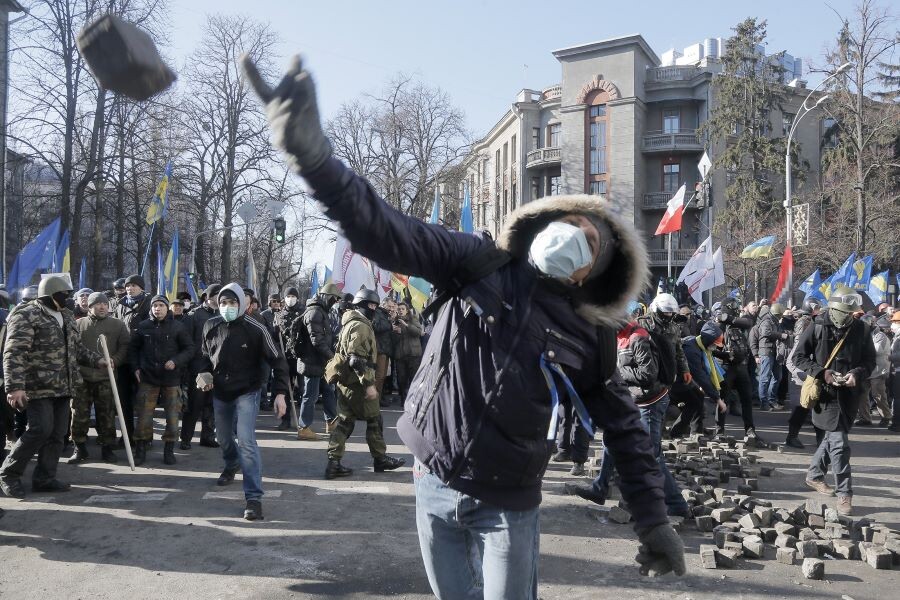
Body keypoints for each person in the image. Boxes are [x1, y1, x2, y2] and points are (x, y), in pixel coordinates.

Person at [243, 54, 684, 594]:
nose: (570, 237)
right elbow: (387, 231)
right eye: (568, 224)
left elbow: (626, 430)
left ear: (594, 272)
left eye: (588, 241)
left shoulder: (589, 337)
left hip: (509, 506)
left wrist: (654, 521)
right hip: (433, 481)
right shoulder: (477, 263)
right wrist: (315, 159)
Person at [567, 293, 691, 519]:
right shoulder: (620, 336)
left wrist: (614, 372)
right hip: (631, 399)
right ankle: (600, 488)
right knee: (610, 441)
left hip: (650, 402)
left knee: (651, 454)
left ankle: (676, 504)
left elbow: (647, 374)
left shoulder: (638, 337)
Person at [0, 276, 104, 498]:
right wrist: (14, 387)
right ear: (50, 295)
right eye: (64, 294)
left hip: (64, 386)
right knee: (40, 430)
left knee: (58, 434)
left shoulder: (66, 315)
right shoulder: (26, 314)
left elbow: (75, 349)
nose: (68, 298)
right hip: (37, 386)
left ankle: (45, 477)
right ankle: (9, 473)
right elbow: (14, 353)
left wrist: (98, 360)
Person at [197, 283, 289, 520]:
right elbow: (205, 357)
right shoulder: (210, 325)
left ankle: (254, 498)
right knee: (223, 438)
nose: (227, 307)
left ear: (243, 304)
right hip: (220, 391)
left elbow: (278, 360)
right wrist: (204, 375)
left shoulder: (256, 328)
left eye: (233, 303)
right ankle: (231, 463)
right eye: (224, 303)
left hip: (248, 390)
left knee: (247, 441)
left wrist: (280, 393)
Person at [794, 290, 875, 516]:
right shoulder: (817, 325)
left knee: (832, 437)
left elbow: (870, 360)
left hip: (850, 396)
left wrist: (856, 374)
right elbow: (798, 357)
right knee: (839, 445)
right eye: (842, 312)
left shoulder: (862, 329)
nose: (846, 317)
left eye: (850, 313)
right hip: (825, 396)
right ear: (833, 309)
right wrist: (823, 373)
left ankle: (814, 475)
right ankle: (844, 494)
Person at [323, 288, 405, 479]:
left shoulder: (351, 322)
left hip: (347, 382)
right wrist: (369, 384)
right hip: (358, 383)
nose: (374, 308)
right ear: (361, 305)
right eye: (370, 304)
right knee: (374, 420)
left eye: (375, 305)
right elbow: (356, 359)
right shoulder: (360, 325)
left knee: (344, 422)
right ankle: (379, 458)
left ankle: (333, 462)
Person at [128, 295, 194, 466]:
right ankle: (140, 450)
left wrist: (176, 361)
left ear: (167, 308)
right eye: (155, 306)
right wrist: (135, 367)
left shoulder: (178, 327)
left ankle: (169, 450)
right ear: (151, 308)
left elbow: (189, 349)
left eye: (161, 306)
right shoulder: (143, 327)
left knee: (172, 418)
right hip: (148, 378)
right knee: (143, 417)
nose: (158, 309)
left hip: (171, 379)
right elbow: (133, 349)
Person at [68, 292, 130, 465]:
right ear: (90, 306)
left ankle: (107, 448)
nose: (102, 306)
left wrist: (115, 361)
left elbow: (125, 346)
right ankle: (79, 447)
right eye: (98, 304)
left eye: (104, 303)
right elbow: (73, 350)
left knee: (107, 414)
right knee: (79, 414)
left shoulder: (117, 325)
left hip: (106, 378)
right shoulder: (79, 324)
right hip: (82, 378)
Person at [296, 282, 341, 440]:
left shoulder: (320, 311)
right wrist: (332, 357)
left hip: (320, 361)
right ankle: (304, 427)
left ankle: (331, 421)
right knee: (310, 395)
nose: (335, 302)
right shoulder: (315, 312)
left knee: (328, 390)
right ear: (327, 297)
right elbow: (317, 340)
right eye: (334, 299)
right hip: (312, 361)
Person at [113, 274, 153, 446]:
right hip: (123, 359)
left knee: (144, 402)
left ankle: (145, 437)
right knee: (123, 401)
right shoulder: (119, 305)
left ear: (142, 288)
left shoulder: (150, 304)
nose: (130, 288)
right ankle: (127, 436)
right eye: (128, 286)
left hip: (142, 359)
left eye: (134, 286)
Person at [715, 298, 762, 442]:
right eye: (733, 307)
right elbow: (711, 348)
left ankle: (750, 430)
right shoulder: (719, 327)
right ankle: (719, 431)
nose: (736, 309)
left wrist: (730, 319)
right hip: (726, 366)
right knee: (723, 399)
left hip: (741, 367)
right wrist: (726, 355)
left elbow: (749, 322)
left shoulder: (736, 324)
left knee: (747, 399)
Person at [670, 322, 729, 438]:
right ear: (707, 341)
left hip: (683, 379)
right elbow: (700, 375)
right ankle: (677, 432)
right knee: (694, 401)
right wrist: (717, 399)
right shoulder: (692, 351)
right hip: (673, 381)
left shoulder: (697, 343)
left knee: (698, 397)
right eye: (714, 344)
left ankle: (695, 431)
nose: (715, 347)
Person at [180, 284, 221, 450]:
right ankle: (186, 438)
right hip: (199, 366)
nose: (221, 299)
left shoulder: (222, 314)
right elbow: (187, 342)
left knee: (211, 404)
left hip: (216, 365)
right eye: (218, 295)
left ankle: (208, 436)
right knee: (195, 404)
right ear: (208, 297)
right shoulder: (194, 315)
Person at [785, 298, 822, 448]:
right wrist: (803, 374)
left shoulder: (816, 324)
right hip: (805, 376)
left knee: (819, 407)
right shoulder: (806, 324)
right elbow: (793, 359)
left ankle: (822, 440)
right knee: (802, 407)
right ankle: (792, 436)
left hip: (816, 373)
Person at [855, 315, 892, 427]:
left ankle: (886, 416)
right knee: (862, 393)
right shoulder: (862, 335)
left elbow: (876, 351)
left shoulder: (880, 336)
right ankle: (865, 418)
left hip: (878, 369)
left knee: (878, 394)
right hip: (866, 368)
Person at [276, 286, 305, 430]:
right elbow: (276, 336)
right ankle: (285, 420)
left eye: (293, 296)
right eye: (288, 296)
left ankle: (304, 422)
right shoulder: (279, 315)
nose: (290, 299)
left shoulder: (303, 313)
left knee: (303, 389)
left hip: (300, 357)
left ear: (297, 298)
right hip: (285, 357)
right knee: (285, 389)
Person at [753, 303, 790, 411]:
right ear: (776, 314)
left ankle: (771, 400)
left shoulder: (774, 320)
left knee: (777, 377)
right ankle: (764, 402)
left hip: (774, 351)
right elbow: (766, 332)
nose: (781, 316)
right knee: (764, 378)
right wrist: (781, 335)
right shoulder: (767, 320)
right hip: (766, 351)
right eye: (780, 314)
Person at [391, 302, 423, 404]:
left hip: (413, 354)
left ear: (407, 310)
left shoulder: (413, 319)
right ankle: (404, 399)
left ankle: (414, 399)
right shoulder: (395, 321)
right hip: (400, 355)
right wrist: (396, 332)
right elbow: (392, 340)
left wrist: (406, 325)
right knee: (401, 379)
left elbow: (418, 332)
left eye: (402, 309)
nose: (400, 310)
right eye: (399, 309)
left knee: (413, 378)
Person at [372, 296, 395, 407]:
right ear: (383, 304)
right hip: (379, 349)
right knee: (379, 376)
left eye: (392, 306)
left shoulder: (385, 314)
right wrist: (390, 325)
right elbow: (376, 326)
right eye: (389, 306)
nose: (391, 308)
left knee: (383, 376)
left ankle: (378, 398)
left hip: (385, 349)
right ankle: (373, 400)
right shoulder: (377, 312)